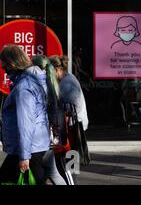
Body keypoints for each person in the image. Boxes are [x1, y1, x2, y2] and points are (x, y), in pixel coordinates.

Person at [0, 45, 50, 185]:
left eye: (4, 65)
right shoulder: (34, 80)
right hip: (33, 146)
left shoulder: (24, 87)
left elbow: (25, 122)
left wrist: (24, 156)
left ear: (12, 63)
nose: (3, 68)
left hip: (28, 149)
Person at [31, 55, 71, 185]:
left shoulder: (50, 84)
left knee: (67, 170)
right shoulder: (52, 83)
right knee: (55, 171)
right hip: (54, 135)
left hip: (54, 135)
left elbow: (69, 106)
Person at [49, 55, 89, 131]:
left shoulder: (67, 84)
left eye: (49, 71)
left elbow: (67, 114)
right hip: (74, 126)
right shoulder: (67, 78)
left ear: (56, 70)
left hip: (73, 128)